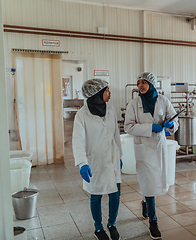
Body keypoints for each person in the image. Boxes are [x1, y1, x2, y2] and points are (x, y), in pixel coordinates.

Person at [124, 72, 179, 239]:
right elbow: (128, 127)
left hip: (158, 146)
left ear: (152, 84)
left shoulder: (163, 100)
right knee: (148, 181)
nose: (140, 85)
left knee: (154, 180)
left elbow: (174, 120)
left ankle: (144, 202)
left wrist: (171, 125)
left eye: (144, 82)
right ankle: (153, 221)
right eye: (139, 83)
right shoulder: (134, 103)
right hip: (143, 148)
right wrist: (150, 128)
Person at [72, 79, 122, 240]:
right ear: (97, 93)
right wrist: (82, 163)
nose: (110, 93)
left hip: (112, 159)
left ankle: (112, 224)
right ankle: (98, 228)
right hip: (94, 161)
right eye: (107, 90)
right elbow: (77, 141)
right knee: (96, 195)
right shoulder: (82, 115)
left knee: (115, 194)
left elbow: (116, 135)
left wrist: (119, 155)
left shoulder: (111, 109)